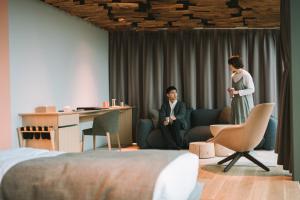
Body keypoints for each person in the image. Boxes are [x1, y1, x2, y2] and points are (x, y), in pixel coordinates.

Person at [227, 55, 255, 124]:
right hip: (236, 103)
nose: (229, 66)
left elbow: (252, 89)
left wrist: (237, 92)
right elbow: (235, 91)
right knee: (235, 122)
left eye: (230, 64)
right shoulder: (233, 75)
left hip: (244, 103)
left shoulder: (245, 75)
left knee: (244, 122)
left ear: (234, 64)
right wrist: (231, 91)